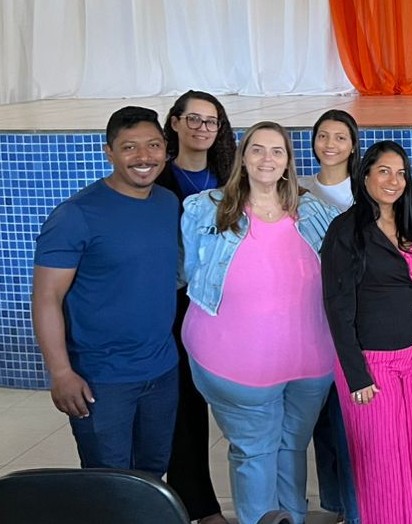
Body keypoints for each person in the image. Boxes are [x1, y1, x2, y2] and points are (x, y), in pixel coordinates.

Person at [180, 121, 338, 524]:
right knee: (255, 452)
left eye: (277, 151)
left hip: (310, 363)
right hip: (234, 364)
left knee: (292, 447)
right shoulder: (205, 208)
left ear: (288, 161)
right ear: (243, 157)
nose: (267, 159)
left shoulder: (315, 212)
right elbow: (189, 272)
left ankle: (292, 518)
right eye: (257, 149)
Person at [32, 106, 179, 478]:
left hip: (162, 371)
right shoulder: (75, 215)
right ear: (109, 152)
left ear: (165, 149)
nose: (144, 156)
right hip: (101, 378)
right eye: (129, 147)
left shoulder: (167, 203)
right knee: (110, 484)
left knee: (152, 476)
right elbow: (46, 298)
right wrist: (61, 373)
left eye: (153, 145)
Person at [321, 140, 412, 524]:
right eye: (384, 171)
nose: (393, 181)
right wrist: (356, 375)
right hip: (372, 364)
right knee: (384, 467)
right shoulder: (345, 230)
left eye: (401, 173)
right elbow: (337, 307)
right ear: (365, 174)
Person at [157, 89, 236, 524]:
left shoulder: (231, 178)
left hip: (227, 305)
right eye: (193, 119)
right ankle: (199, 505)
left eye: (211, 121)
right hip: (176, 304)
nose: (202, 128)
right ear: (175, 123)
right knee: (185, 407)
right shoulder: (158, 180)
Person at [300, 109, 361, 524]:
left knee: (350, 413)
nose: (331, 144)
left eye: (340, 137)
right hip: (311, 310)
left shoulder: (366, 191)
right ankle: (337, 502)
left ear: (353, 145)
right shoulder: (298, 191)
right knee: (323, 414)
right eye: (323, 136)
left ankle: (358, 505)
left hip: (356, 312)